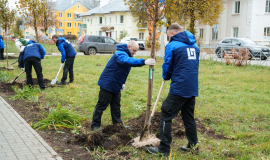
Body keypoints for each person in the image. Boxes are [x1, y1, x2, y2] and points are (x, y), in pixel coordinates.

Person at [148, 23, 200, 156]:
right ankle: (193, 145)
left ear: (172, 33)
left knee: (166, 114)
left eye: (168, 35)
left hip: (180, 87)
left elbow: (168, 64)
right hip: (192, 86)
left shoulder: (172, 45)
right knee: (188, 117)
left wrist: (166, 76)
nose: (168, 38)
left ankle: (164, 149)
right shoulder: (195, 45)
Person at [91, 41, 156, 132]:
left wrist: (122, 83)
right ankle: (95, 126)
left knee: (116, 105)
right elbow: (127, 61)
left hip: (116, 84)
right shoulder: (120, 54)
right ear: (128, 46)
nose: (135, 52)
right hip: (107, 83)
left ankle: (118, 125)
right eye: (134, 50)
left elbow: (122, 71)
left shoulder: (126, 54)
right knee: (102, 104)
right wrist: (144, 62)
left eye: (136, 51)